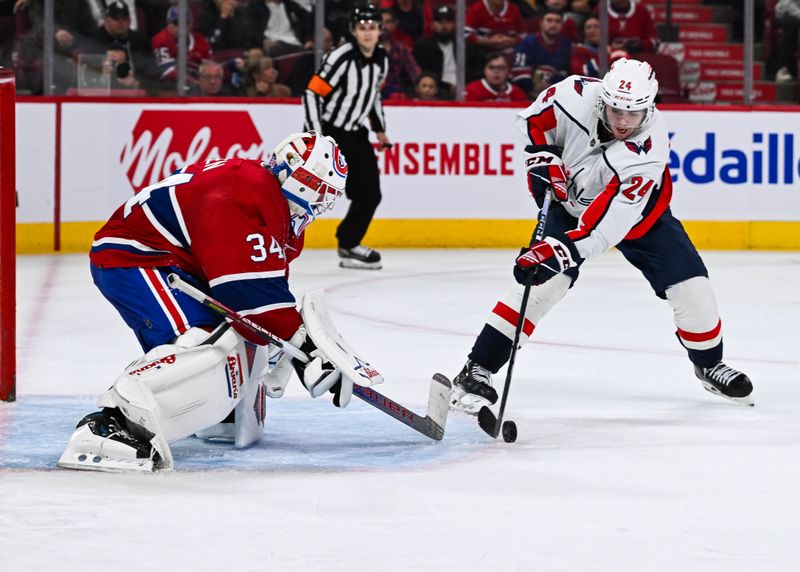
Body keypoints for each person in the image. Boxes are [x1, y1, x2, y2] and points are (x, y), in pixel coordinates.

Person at [450, 59, 754, 415]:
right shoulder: (573, 93)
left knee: (693, 287)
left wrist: (559, 251)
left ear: (649, 108)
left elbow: (603, 231)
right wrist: (542, 155)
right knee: (542, 284)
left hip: (639, 218)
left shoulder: (648, 152)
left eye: (633, 114)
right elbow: (532, 122)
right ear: (602, 100)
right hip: (568, 203)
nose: (623, 122)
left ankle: (709, 364)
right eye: (615, 110)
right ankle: (477, 368)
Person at [58, 132, 351, 472]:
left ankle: (212, 407)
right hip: (136, 257)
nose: (319, 203)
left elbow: (265, 297)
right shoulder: (245, 192)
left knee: (229, 335)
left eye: (328, 195)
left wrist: (287, 350)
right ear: (296, 177)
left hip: (175, 261)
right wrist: (303, 347)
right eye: (318, 189)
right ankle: (112, 424)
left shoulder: (270, 204)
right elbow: (248, 295)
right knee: (202, 339)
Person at [302, 4, 390, 269]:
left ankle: (349, 243)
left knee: (370, 194)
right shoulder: (341, 56)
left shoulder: (381, 59)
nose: (367, 33)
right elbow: (312, 93)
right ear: (353, 30)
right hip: (330, 132)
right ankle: (277, 239)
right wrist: (316, 136)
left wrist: (380, 129)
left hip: (356, 133)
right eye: (362, 28)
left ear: (379, 31)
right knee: (307, 190)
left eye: (372, 28)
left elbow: (373, 94)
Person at [413, 5, 484, 99]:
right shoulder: (423, 47)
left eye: (448, 22)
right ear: (433, 25)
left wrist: (465, 86)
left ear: (454, 24)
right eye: (440, 22)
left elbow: (478, 70)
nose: (444, 26)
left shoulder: (465, 46)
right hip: (437, 91)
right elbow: (423, 74)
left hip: (467, 89)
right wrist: (448, 87)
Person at [512, 8, 572, 98]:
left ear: (562, 25)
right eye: (549, 20)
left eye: (557, 21)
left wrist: (552, 87)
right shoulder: (527, 44)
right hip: (528, 96)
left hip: (557, 95)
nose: (553, 24)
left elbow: (566, 73)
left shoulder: (567, 45)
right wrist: (533, 89)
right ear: (541, 23)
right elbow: (519, 74)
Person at [151, 5, 212, 89]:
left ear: (191, 24)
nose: (181, 27)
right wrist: (194, 82)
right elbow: (167, 71)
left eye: (185, 23)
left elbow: (209, 68)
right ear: (168, 23)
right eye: (177, 23)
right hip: (169, 87)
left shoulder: (201, 40)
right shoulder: (161, 39)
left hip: (199, 86)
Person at [380, 8, 420, 98]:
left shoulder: (401, 49)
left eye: (388, 22)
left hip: (396, 95)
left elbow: (414, 71)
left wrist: (422, 85)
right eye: (380, 21)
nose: (383, 26)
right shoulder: (365, 48)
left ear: (395, 24)